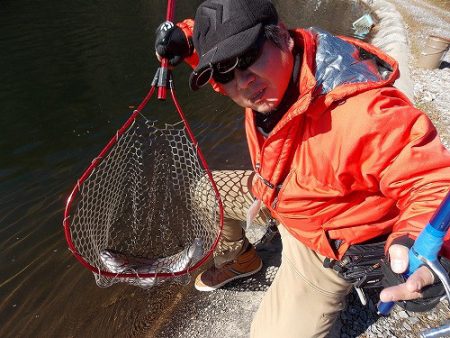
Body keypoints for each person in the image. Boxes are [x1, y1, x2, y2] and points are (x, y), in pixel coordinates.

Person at [155, 0, 450, 337]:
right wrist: (186, 39)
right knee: (205, 191)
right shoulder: (261, 77)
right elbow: (226, 63)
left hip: (324, 243)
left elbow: (433, 182)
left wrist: (421, 246)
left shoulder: (363, 112)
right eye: (224, 70)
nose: (242, 81)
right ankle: (241, 261)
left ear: (281, 36)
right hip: (278, 191)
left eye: (247, 57)